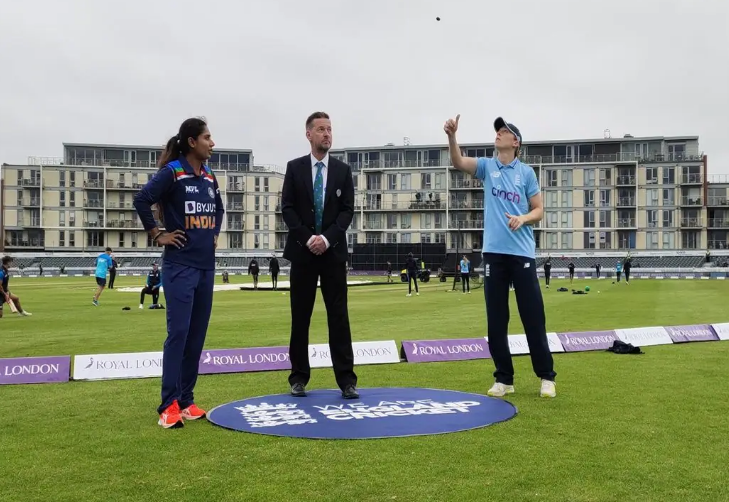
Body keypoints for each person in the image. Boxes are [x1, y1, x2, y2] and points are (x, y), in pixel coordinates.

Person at [444, 114, 556, 398]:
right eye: (497, 131)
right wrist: (452, 136)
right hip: (493, 254)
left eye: (503, 131)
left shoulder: (527, 173)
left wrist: (523, 218)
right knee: (496, 320)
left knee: (533, 317)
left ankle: (546, 376)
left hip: (521, 254)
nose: (497, 134)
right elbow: (458, 162)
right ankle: (504, 379)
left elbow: (539, 210)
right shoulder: (487, 166)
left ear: (515, 142)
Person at [133, 117, 224, 429]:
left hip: (205, 268)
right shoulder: (173, 173)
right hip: (179, 266)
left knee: (196, 337)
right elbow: (141, 199)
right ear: (191, 142)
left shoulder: (210, 175)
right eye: (207, 138)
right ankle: (167, 405)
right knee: (179, 334)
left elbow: (220, 209)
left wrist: (215, 233)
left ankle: (186, 400)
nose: (212, 143)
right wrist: (158, 234)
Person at [281, 111, 358, 399]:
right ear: (309, 134)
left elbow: (347, 211)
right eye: (321, 129)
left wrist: (326, 239)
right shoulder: (294, 168)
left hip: (333, 255)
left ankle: (347, 380)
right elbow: (287, 208)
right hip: (302, 255)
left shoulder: (342, 170)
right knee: (300, 318)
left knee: (338, 317)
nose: (327, 134)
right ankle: (298, 378)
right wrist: (307, 238)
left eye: (330, 129)